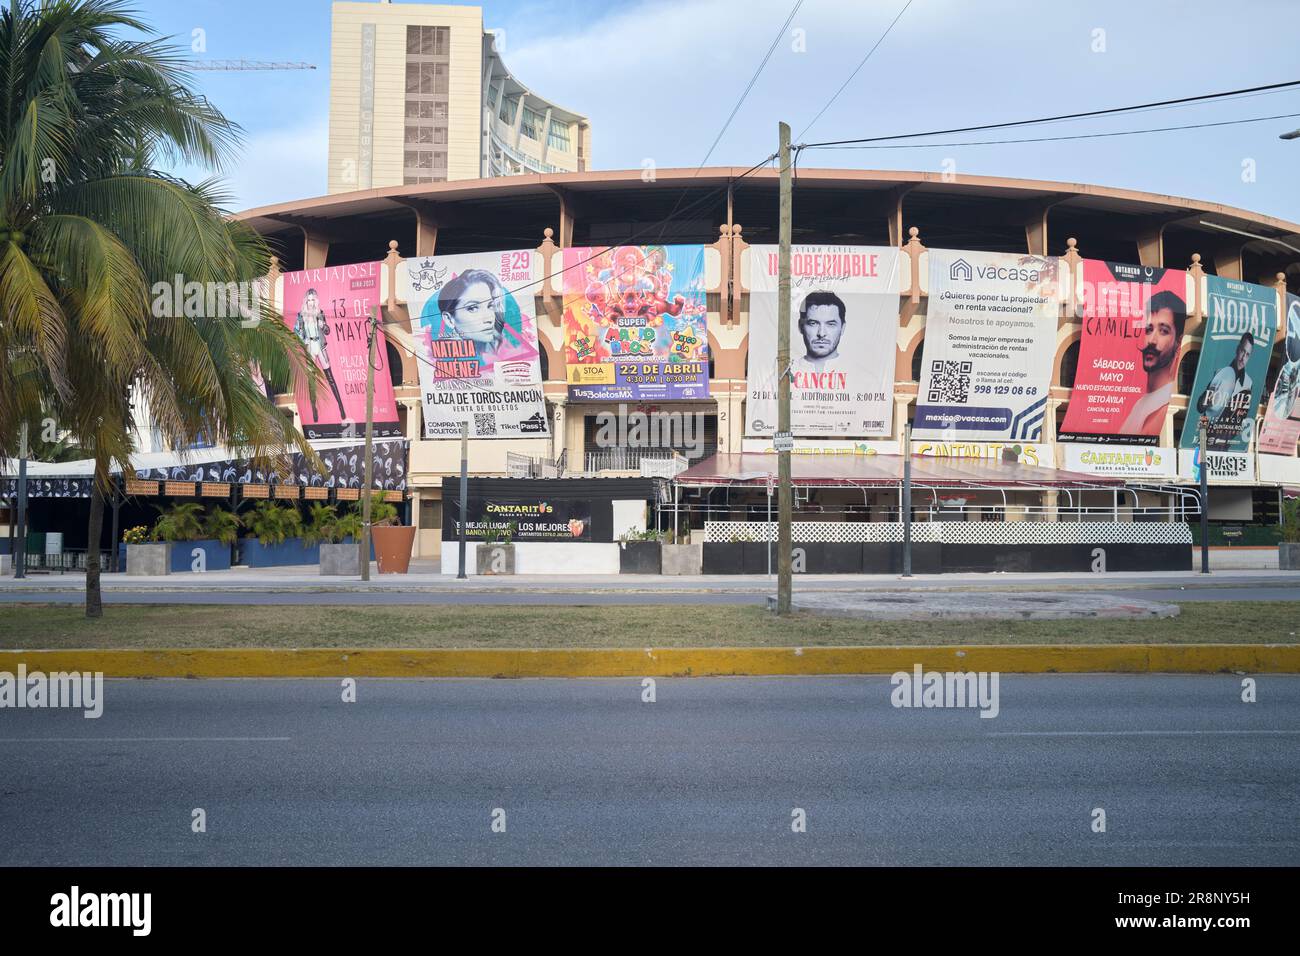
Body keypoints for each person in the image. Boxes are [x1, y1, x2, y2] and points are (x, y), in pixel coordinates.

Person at [432, 269, 536, 374]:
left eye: (490, 306)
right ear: (449, 319)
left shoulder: (508, 349)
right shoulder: (440, 358)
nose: (489, 318)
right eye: (472, 308)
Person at [1118, 289, 1186, 436]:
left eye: (1163, 331)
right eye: (1148, 329)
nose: (1152, 341)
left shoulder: (1161, 407)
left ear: (1178, 341)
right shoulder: (1141, 404)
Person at [293, 288, 346, 421]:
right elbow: (296, 332)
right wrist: (302, 337)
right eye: (308, 300)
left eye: (313, 300)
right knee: (311, 379)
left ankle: (341, 407)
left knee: (330, 377)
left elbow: (327, 331)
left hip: (320, 346)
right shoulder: (301, 315)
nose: (311, 303)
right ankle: (314, 408)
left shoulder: (320, 313)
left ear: (316, 301)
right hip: (310, 346)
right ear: (306, 301)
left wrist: (323, 326)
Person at [1195, 332, 1255, 441]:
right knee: (1200, 457)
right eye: (1242, 351)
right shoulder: (1220, 373)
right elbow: (1201, 407)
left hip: (1223, 445)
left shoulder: (1248, 383)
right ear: (1237, 349)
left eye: (1247, 354)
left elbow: (1241, 419)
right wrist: (1202, 436)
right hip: (1205, 438)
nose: (1243, 358)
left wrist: (1221, 439)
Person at [794, 291, 847, 372]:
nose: (821, 334)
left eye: (830, 324)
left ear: (842, 328)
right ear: (800, 327)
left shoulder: (856, 373)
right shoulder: (786, 371)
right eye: (813, 323)